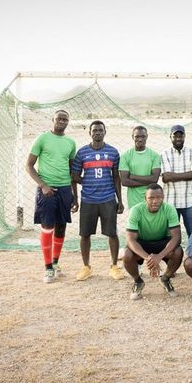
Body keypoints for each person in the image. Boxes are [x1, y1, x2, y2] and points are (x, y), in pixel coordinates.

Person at [25, 109, 77, 283]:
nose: (62, 121)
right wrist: (43, 185)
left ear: (68, 122)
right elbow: (29, 166)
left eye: (65, 119)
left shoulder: (70, 142)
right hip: (47, 190)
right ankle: (47, 267)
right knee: (48, 227)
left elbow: (71, 171)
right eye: (59, 118)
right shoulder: (42, 139)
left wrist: (74, 195)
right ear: (53, 120)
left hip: (64, 190)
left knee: (61, 227)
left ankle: (55, 263)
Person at [70, 120, 125, 281]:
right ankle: (86, 267)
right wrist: (77, 196)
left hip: (108, 199)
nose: (97, 133)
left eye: (100, 130)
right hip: (88, 199)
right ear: (90, 133)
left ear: (105, 132)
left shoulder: (113, 152)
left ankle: (114, 266)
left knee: (112, 233)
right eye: (94, 130)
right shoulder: (82, 153)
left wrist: (119, 200)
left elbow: (116, 177)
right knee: (85, 234)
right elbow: (74, 177)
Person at [123, 184, 183, 300]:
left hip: (162, 242)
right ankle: (138, 281)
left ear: (163, 197)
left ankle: (165, 278)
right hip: (142, 242)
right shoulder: (136, 210)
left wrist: (159, 257)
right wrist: (149, 259)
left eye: (159, 197)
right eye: (151, 198)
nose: (155, 201)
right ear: (145, 199)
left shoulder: (169, 209)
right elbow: (130, 239)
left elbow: (176, 237)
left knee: (178, 252)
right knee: (127, 254)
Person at [160, 125, 192, 237]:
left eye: (181, 136)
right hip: (171, 201)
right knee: (171, 234)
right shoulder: (164, 154)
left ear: (184, 137)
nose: (178, 138)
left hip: (190, 200)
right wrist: (189, 175)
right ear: (170, 137)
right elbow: (166, 177)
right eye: (175, 136)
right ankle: (174, 254)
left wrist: (174, 176)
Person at [119, 126, 161, 210]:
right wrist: (147, 183)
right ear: (132, 137)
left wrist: (133, 176)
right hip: (134, 202)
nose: (140, 139)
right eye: (137, 136)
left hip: (151, 200)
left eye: (143, 136)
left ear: (147, 137)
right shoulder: (125, 156)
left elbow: (154, 179)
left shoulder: (155, 155)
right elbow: (124, 181)